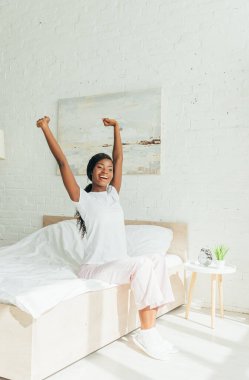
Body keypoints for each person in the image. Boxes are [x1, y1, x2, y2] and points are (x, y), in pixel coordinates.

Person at [36, 115, 178, 360]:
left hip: (117, 263)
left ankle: (151, 327)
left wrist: (116, 128)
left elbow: (120, 158)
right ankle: (147, 332)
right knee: (142, 264)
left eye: (109, 169)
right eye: (100, 168)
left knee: (157, 258)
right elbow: (62, 163)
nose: (106, 171)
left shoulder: (113, 195)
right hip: (95, 268)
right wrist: (46, 128)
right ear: (91, 172)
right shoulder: (84, 199)